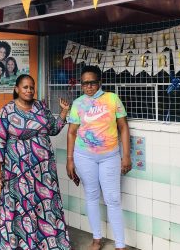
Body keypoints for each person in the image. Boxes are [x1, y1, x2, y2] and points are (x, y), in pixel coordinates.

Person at [0, 74, 71, 250]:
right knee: (20, 207)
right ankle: (20, 244)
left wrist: (64, 112)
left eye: (31, 87)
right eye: (25, 87)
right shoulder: (7, 111)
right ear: (17, 89)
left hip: (44, 170)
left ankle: (48, 243)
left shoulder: (41, 106)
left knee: (46, 204)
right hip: (16, 170)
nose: (29, 90)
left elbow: (53, 129)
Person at [66, 65, 131, 250]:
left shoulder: (112, 99)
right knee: (92, 196)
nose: (88, 87)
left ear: (99, 82)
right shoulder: (78, 104)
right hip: (84, 157)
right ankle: (96, 239)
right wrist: (70, 160)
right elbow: (71, 133)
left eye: (92, 83)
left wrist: (126, 155)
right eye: (85, 83)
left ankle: (120, 245)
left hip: (110, 157)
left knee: (113, 198)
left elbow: (123, 127)